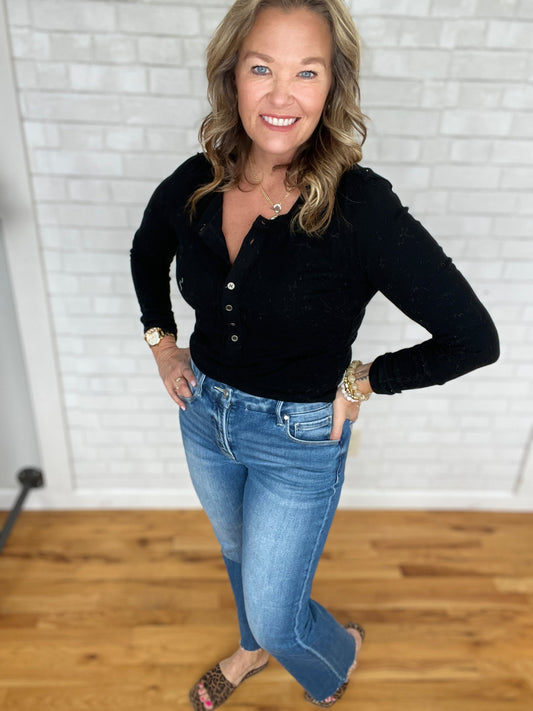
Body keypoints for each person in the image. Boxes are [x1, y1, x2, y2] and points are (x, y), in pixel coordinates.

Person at [130, 0, 499, 708]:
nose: (280, 95)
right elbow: (147, 251)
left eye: (306, 72)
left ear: (332, 85)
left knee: (280, 612)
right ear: (231, 75)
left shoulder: (361, 207)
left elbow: (473, 339)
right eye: (260, 68)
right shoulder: (198, 179)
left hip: (296, 437)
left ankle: (333, 661)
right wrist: (163, 345)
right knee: (237, 553)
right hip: (203, 414)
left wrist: (364, 380)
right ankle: (251, 650)